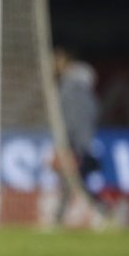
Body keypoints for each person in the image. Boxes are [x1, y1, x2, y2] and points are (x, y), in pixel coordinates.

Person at [52, 46, 105, 225]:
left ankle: (102, 213)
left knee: (76, 180)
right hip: (77, 142)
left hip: (77, 143)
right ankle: (60, 218)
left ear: (65, 60)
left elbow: (78, 117)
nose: (53, 64)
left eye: (56, 59)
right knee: (72, 181)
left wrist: (71, 143)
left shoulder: (73, 86)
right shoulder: (74, 84)